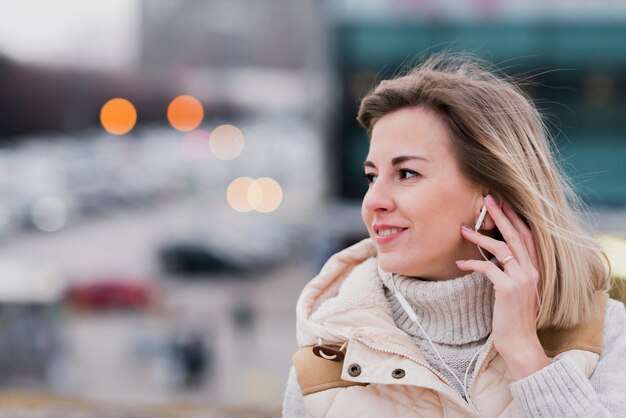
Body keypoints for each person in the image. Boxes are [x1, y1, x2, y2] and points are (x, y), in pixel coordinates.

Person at [281, 53, 626, 417]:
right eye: (372, 177)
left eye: (408, 174)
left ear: (493, 198)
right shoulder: (324, 365)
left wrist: (526, 355)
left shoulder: (602, 334)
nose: (374, 202)